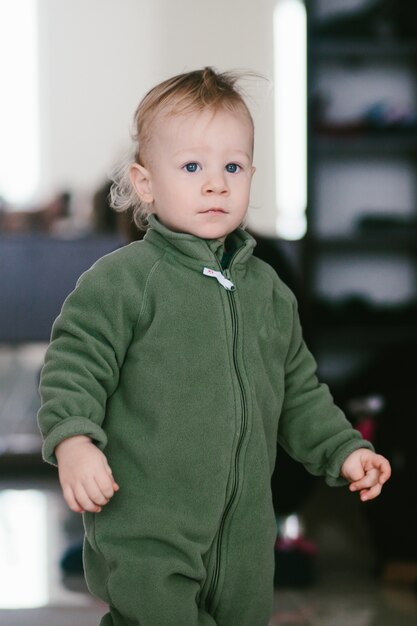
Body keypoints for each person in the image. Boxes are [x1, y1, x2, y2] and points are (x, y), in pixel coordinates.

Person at [37, 67, 391, 626]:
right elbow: (75, 364)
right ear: (146, 183)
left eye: (232, 167)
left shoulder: (269, 291)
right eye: (192, 166)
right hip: (148, 527)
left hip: (247, 537)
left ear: (251, 173)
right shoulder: (124, 281)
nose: (216, 184)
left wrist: (343, 450)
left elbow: (299, 389)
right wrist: (75, 440)